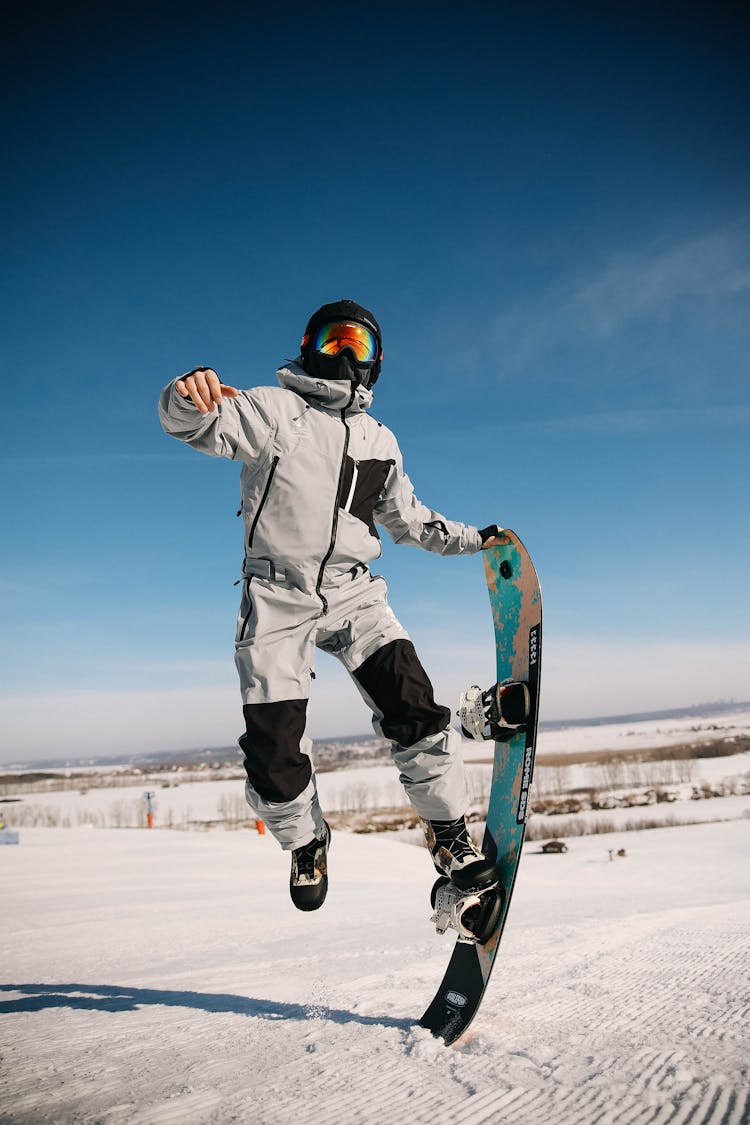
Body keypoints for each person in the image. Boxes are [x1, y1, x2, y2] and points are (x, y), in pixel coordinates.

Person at [159, 299, 506, 912]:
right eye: (333, 338)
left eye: (359, 344)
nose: (345, 353)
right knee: (272, 749)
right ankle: (306, 838)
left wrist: (473, 539)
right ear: (309, 343)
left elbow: (409, 521)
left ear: (375, 363)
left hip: (353, 592)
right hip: (276, 595)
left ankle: (450, 834)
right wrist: (188, 396)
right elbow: (196, 424)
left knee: (412, 704)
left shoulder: (381, 440)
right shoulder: (274, 409)